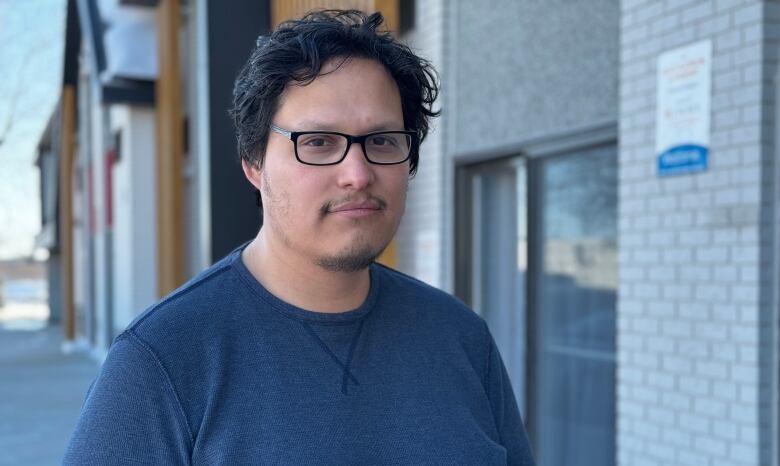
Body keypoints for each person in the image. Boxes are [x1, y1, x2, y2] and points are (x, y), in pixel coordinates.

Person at [63, 10, 535, 465]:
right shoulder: (161, 362)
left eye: (383, 140)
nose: (358, 173)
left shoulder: (461, 338)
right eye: (317, 142)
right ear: (254, 164)